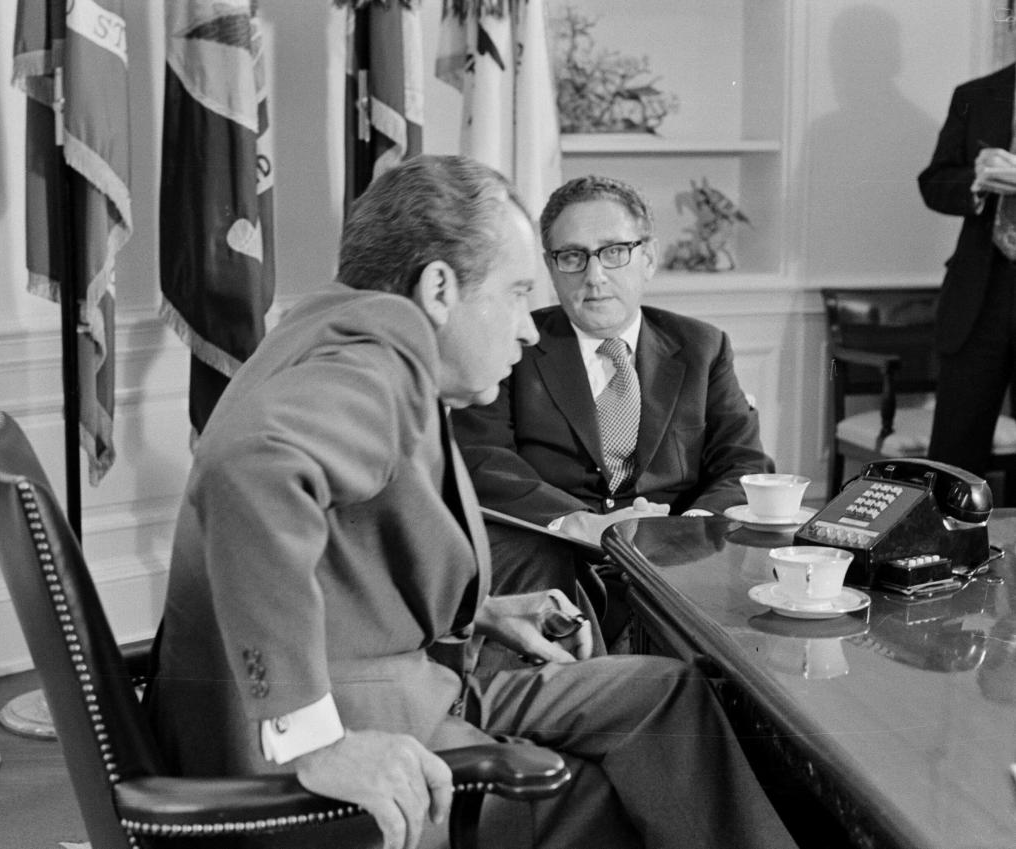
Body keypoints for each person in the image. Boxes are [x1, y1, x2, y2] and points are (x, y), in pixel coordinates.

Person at [143, 155, 796, 849]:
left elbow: (343, 549)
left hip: (383, 685)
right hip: (345, 731)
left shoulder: (335, 328)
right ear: (439, 288)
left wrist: (480, 611)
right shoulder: (369, 366)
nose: (526, 326)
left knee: (666, 697)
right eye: (517, 293)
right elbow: (250, 470)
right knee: (624, 779)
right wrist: (308, 736)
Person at [451, 175, 773, 639]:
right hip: (558, 560)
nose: (594, 276)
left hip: (677, 564)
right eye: (573, 256)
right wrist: (583, 524)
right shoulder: (513, 345)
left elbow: (741, 464)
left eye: (614, 251)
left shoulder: (703, 347)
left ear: (648, 258)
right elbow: (483, 461)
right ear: (551, 265)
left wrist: (687, 531)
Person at [918, 63, 1016, 476]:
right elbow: (934, 181)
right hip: (981, 295)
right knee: (954, 458)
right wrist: (975, 182)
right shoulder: (974, 95)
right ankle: (948, 543)